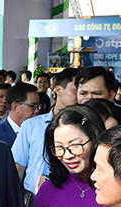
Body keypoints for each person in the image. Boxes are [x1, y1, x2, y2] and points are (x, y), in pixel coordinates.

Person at [13, 67, 78, 195]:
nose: (80, 96)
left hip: (70, 198)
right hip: (34, 198)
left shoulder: (85, 128)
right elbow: (18, 167)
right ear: (58, 90)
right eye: (76, 91)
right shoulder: (31, 125)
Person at [0, 82, 39, 147]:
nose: (37, 110)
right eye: (32, 106)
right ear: (15, 107)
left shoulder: (39, 133)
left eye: (38, 106)